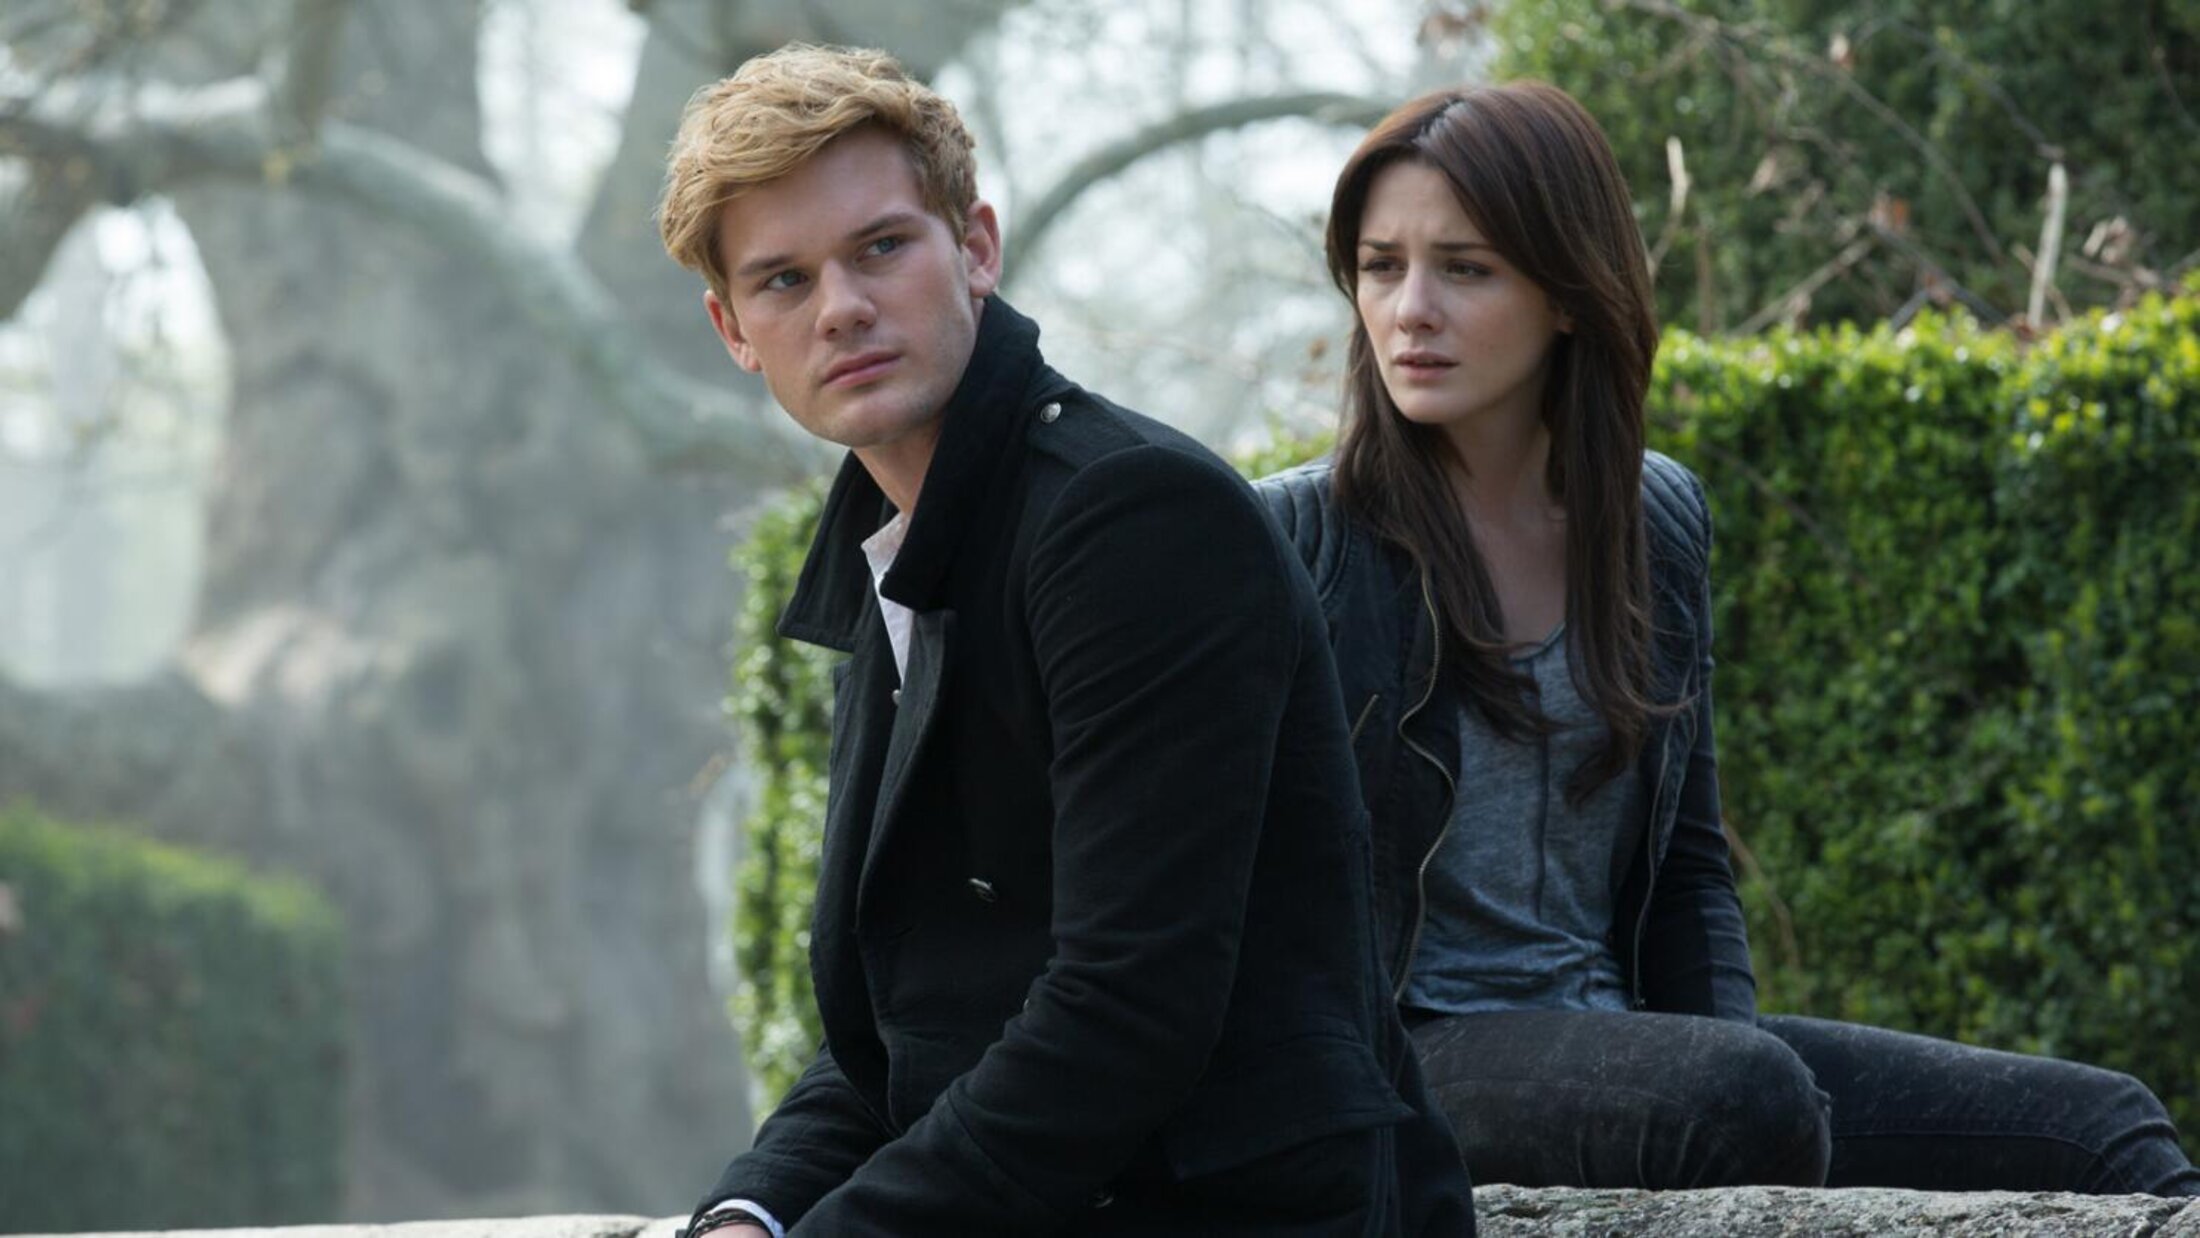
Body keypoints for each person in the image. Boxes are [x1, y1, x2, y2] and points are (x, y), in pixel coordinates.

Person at [1259, 80, 2200, 1196]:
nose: (1411, 309)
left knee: (2103, 1123)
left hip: (1628, 1041)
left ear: (1570, 293)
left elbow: (1690, 868)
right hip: (1402, 1057)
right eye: (1381, 266)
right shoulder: (1291, 540)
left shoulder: (1653, 519)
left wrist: (1728, 1062)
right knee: (1737, 1096)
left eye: (1465, 269)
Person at [655, 44, 1475, 1238]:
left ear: (976, 248)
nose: (840, 307)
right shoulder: (897, 547)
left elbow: (1127, 1007)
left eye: (880, 247)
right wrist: (748, 1214)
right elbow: (900, 1032)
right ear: (734, 329)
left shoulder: (1133, 517)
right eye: (783, 280)